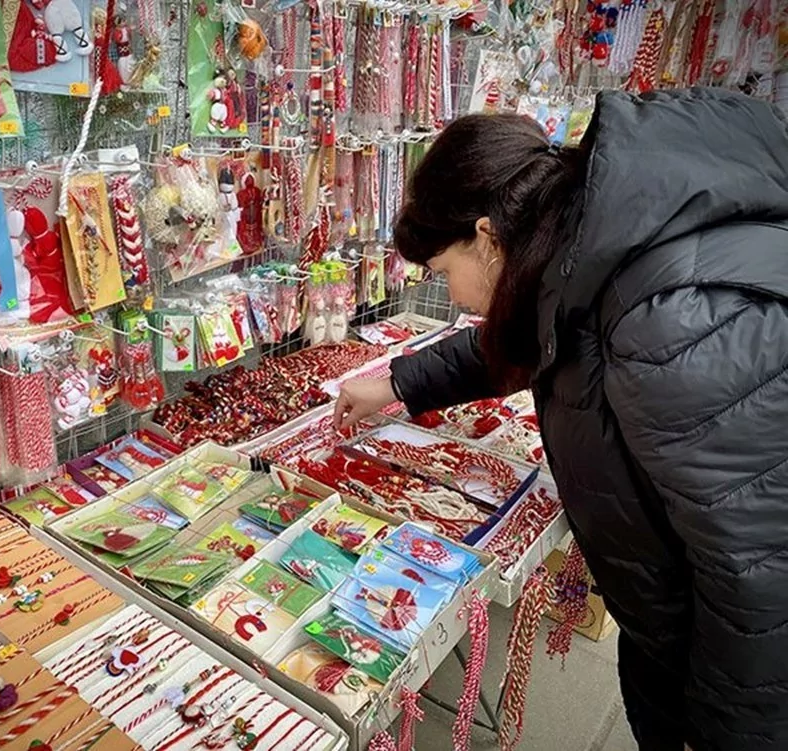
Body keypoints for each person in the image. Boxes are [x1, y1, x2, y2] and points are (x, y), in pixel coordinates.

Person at [333, 88, 788, 751]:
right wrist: (399, 381)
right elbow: (534, 333)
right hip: (667, 615)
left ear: (486, 236)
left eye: (442, 269)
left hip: (732, 669)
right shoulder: (587, 249)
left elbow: (759, 577)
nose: (451, 293)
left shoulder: (668, 323)